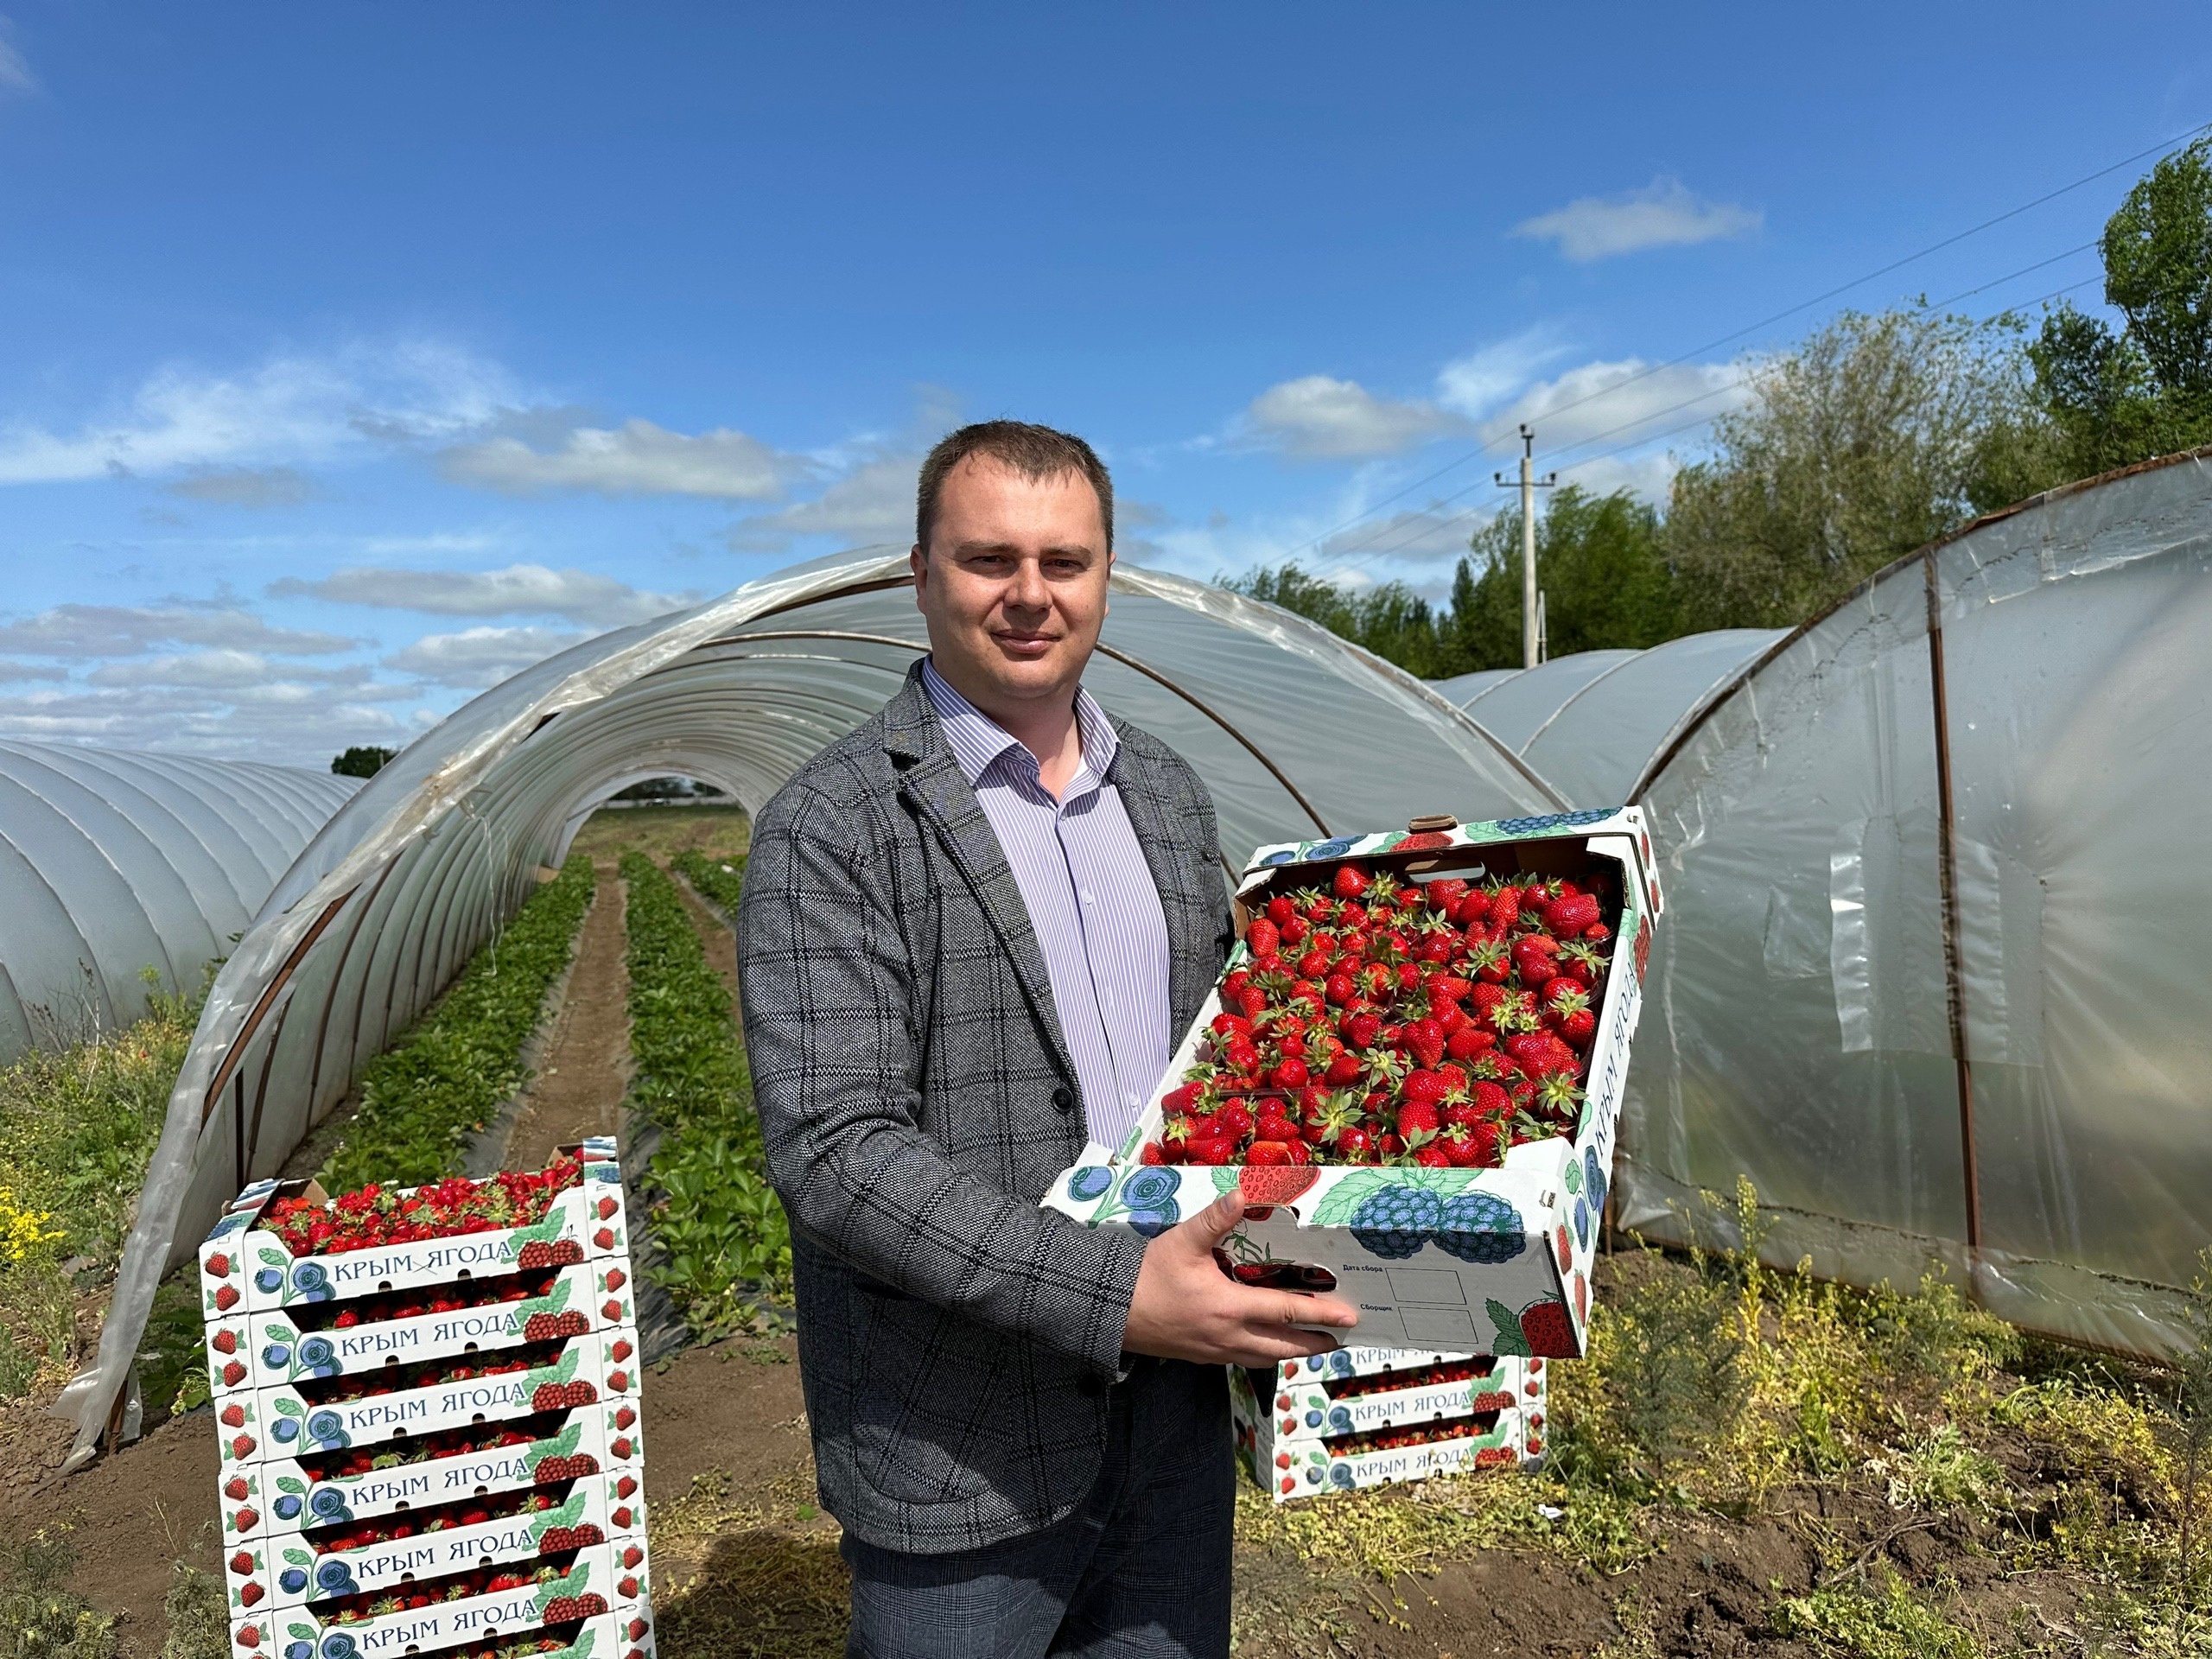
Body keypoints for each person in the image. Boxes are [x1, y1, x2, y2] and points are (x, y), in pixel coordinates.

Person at [736, 420, 1360, 1658]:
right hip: (958, 1448)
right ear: (921, 574)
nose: (1031, 595)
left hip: (1175, 1411)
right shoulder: (837, 823)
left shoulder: (1171, 793)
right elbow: (836, 1150)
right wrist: (1119, 1290)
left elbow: (1235, 1059)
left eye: (1065, 562)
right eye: (989, 560)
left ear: (1107, 578)